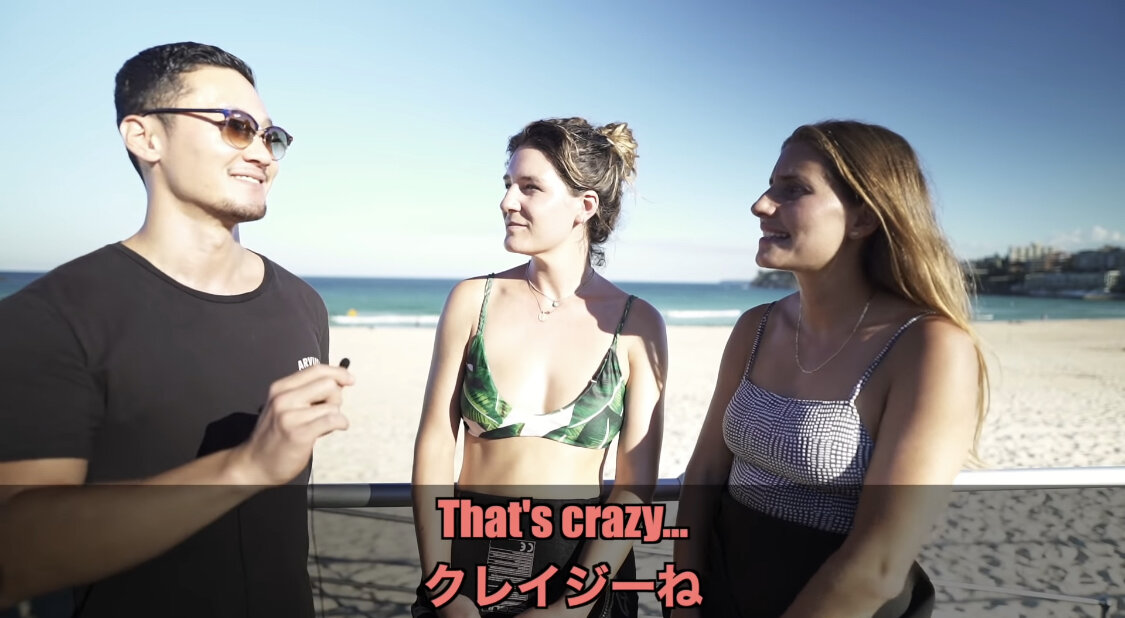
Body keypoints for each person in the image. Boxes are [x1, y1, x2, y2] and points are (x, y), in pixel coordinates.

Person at [0, 42, 353, 617]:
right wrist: (245, 466)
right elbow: (14, 553)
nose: (262, 154)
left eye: (271, 136)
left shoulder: (303, 304)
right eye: (236, 127)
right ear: (145, 137)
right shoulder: (50, 317)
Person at [670, 120, 989, 617]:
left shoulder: (928, 348)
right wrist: (682, 602)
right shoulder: (756, 326)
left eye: (793, 189)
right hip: (722, 595)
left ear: (862, 218)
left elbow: (880, 563)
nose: (760, 205)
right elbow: (705, 474)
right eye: (769, 186)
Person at [411, 118, 668, 618]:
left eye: (530, 187)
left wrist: (572, 606)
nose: (507, 201)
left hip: (582, 569)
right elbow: (436, 445)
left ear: (585, 206)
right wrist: (441, 585)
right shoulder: (473, 300)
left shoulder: (637, 324)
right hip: (468, 562)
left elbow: (636, 484)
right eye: (508, 184)